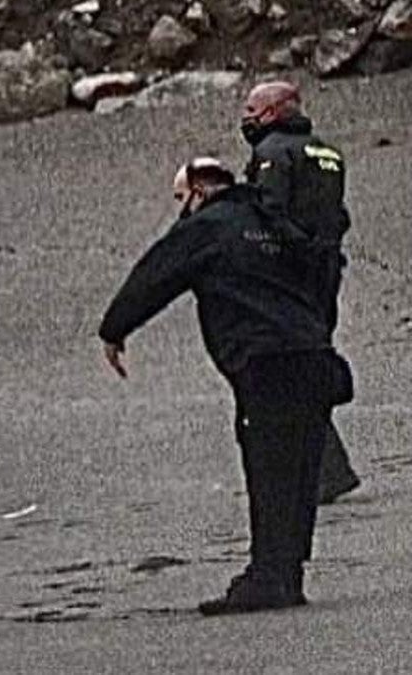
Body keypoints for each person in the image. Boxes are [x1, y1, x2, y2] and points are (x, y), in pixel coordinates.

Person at [99, 158, 354, 616]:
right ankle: (287, 574)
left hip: (267, 362)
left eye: (181, 199)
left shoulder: (210, 227)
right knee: (299, 474)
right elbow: (322, 265)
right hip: (314, 354)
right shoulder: (272, 219)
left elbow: (157, 273)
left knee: (270, 469)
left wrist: (114, 328)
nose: (181, 209)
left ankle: (267, 578)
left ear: (199, 190)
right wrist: (317, 329)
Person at [241, 80, 361, 504]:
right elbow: (338, 216)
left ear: (273, 112)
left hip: (290, 278)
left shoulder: (272, 153)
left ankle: (321, 472)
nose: (247, 118)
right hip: (326, 275)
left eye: (253, 110)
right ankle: (323, 470)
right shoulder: (329, 153)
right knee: (307, 363)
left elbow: (267, 214)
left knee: (288, 372)